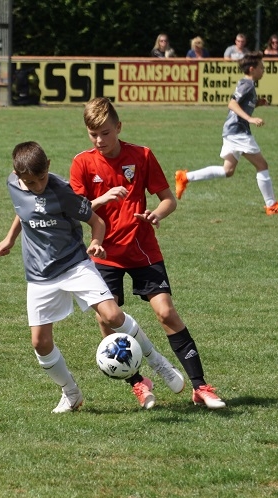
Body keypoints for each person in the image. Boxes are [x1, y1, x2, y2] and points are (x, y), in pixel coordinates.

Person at [0, 141, 178, 413]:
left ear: (48, 166)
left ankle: (157, 361)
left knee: (112, 315)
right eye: (30, 182)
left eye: (41, 178)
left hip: (74, 265)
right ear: (17, 175)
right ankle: (71, 393)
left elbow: (97, 221)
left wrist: (95, 242)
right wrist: (10, 239)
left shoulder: (62, 191)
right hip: (39, 275)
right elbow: (22, 209)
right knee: (40, 343)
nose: (38, 186)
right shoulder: (13, 184)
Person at [69, 97, 227, 410]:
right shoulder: (82, 163)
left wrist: (156, 214)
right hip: (104, 252)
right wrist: (103, 198)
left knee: (166, 312)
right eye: (93, 134)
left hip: (143, 249)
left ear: (119, 127)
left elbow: (169, 199)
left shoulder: (141, 156)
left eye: (105, 133)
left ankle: (200, 387)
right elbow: (76, 209)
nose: (99, 140)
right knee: (106, 319)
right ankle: (138, 382)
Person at [175, 52, 278, 215]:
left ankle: (185, 177)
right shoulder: (247, 84)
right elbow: (232, 104)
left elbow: (241, 104)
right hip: (238, 131)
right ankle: (271, 205)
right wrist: (250, 118)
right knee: (262, 165)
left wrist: (256, 104)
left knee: (228, 170)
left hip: (232, 131)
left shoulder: (248, 84)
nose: (263, 70)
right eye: (261, 67)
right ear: (252, 69)